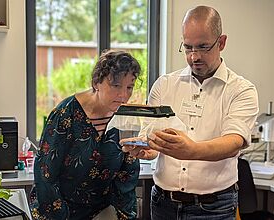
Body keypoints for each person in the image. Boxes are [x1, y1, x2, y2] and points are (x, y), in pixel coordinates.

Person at [122, 5, 259, 220]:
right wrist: (148, 150)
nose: (194, 56)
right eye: (187, 48)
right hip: (163, 204)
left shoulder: (241, 89)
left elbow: (234, 141)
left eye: (203, 47)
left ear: (221, 42)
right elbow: (152, 136)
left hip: (214, 209)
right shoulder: (164, 85)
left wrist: (191, 150)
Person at [30, 50, 142, 220]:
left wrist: (125, 215)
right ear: (97, 82)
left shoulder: (124, 118)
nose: (124, 95)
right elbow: (45, 174)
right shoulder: (66, 114)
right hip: (59, 210)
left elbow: (127, 174)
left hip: (102, 212)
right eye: (116, 85)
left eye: (129, 87)